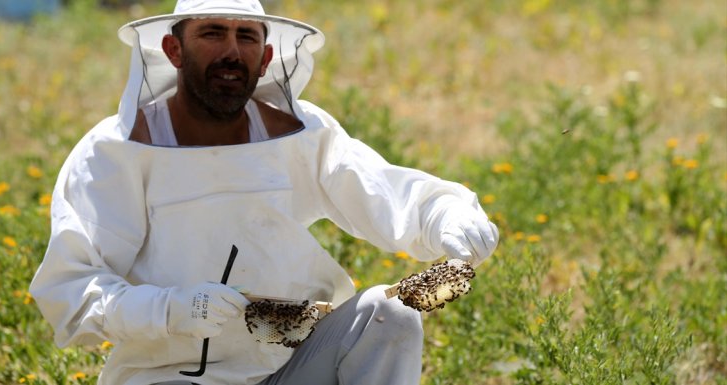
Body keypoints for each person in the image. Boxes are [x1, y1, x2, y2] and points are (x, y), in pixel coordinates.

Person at [29, 1, 499, 384]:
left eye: (247, 36)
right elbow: (70, 295)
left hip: (289, 364)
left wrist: (447, 215)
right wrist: (170, 309)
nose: (232, 51)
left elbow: (382, 191)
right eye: (213, 33)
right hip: (164, 375)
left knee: (388, 316)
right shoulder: (113, 154)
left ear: (267, 57)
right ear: (173, 49)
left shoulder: (299, 135)